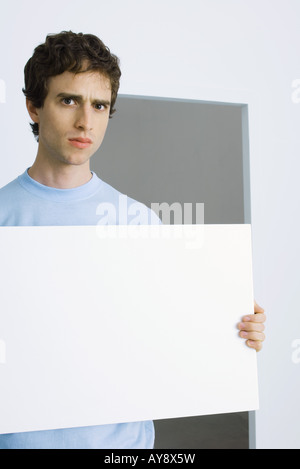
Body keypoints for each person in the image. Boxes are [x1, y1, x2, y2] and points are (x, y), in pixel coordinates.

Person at [0, 31, 266, 449]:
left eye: (100, 105)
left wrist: (234, 332)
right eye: (69, 100)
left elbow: (171, 337)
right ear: (34, 107)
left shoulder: (138, 222)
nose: (86, 121)